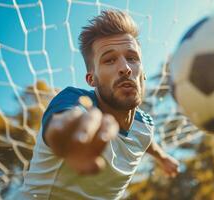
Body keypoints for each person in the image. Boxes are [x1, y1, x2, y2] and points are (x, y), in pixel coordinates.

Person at [15, 9, 179, 200]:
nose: (125, 68)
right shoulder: (74, 101)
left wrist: (163, 158)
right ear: (92, 79)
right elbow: (62, 121)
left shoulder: (146, 125)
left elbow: (147, 140)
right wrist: (66, 136)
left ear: (142, 72)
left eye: (132, 58)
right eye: (109, 60)